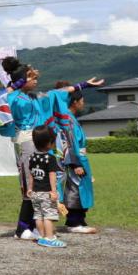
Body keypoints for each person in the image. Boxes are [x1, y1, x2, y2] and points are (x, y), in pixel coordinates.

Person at [0, 56, 102, 240]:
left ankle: (32, 226)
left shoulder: (38, 97)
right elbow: (3, 98)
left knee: (40, 184)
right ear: (22, 80)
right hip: (26, 142)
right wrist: (16, 84)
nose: (36, 80)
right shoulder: (12, 97)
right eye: (32, 77)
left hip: (39, 141)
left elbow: (59, 93)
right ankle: (23, 228)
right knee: (31, 183)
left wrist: (83, 85)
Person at [53, 81, 96, 234]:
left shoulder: (71, 118)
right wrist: (75, 163)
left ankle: (80, 219)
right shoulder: (68, 120)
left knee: (83, 187)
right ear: (75, 102)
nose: (83, 103)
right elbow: (69, 143)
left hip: (80, 157)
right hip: (74, 159)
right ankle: (73, 221)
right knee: (75, 188)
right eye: (82, 100)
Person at [26, 126, 65, 248]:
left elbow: (31, 173)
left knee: (38, 215)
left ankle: (42, 237)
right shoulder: (50, 158)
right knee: (49, 215)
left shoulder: (32, 157)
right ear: (49, 143)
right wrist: (54, 191)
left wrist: (30, 188)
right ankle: (50, 238)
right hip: (47, 192)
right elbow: (52, 175)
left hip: (35, 193)